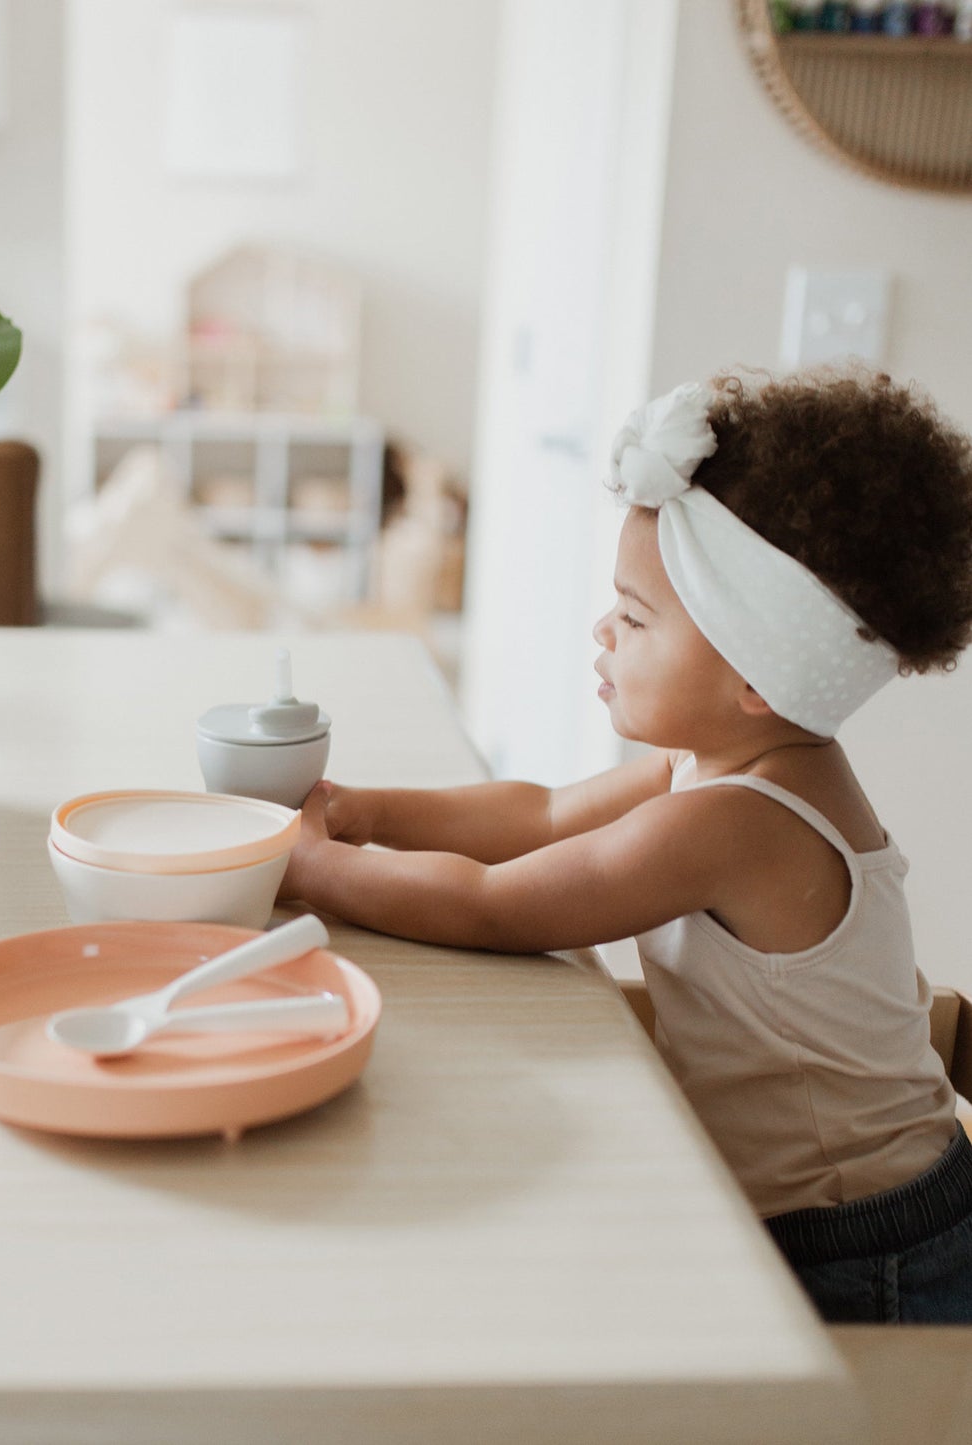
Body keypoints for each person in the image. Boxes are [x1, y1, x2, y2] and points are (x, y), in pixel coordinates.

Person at [279, 366, 972, 1324]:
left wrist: (314, 869)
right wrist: (369, 810)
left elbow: (496, 906)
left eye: (636, 617)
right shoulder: (721, 764)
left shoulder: (741, 820)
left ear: (759, 677)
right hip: (833, 1206)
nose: (602, 629)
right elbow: (544, 815)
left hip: (858, 1243)